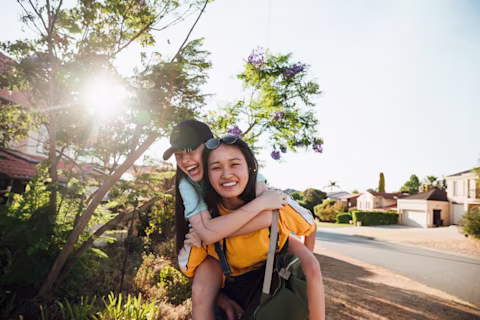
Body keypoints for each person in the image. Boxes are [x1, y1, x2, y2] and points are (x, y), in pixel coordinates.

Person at [175, 133, 325, 320]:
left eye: (235, 164)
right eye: (216, 167)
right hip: (231, 283)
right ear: (207, 176)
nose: (227, 174)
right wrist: (202, 240)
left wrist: (298, 269)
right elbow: (189, 268)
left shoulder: (277, 203)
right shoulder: (206, 221)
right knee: (201, 288)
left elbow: (310, 227)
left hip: (272, 275)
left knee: (311, 265)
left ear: (250, 169)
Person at [163, 120, 289, 319]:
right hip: (214, 256)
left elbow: (268, 218)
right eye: (179, 155)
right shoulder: (186, 184)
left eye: (190, 151)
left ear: (210, 146)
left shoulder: (242, 171)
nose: (185, 160)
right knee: (201, 290)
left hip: (256, 250)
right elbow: (204, 234)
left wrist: (210, 232)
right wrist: (209, 236)